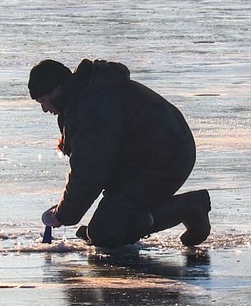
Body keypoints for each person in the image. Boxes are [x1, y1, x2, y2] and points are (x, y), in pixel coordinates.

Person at [28, 58, 211, 250]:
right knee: (105, 226)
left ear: (57, 90)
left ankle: (190, 207)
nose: (44, 109)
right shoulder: (85, 96)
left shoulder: (91, 108)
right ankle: (110, 225)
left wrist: (63, 215)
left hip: (164, 158)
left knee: (105, 233)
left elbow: (90, 171)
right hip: (144, 159)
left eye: (43, 101)